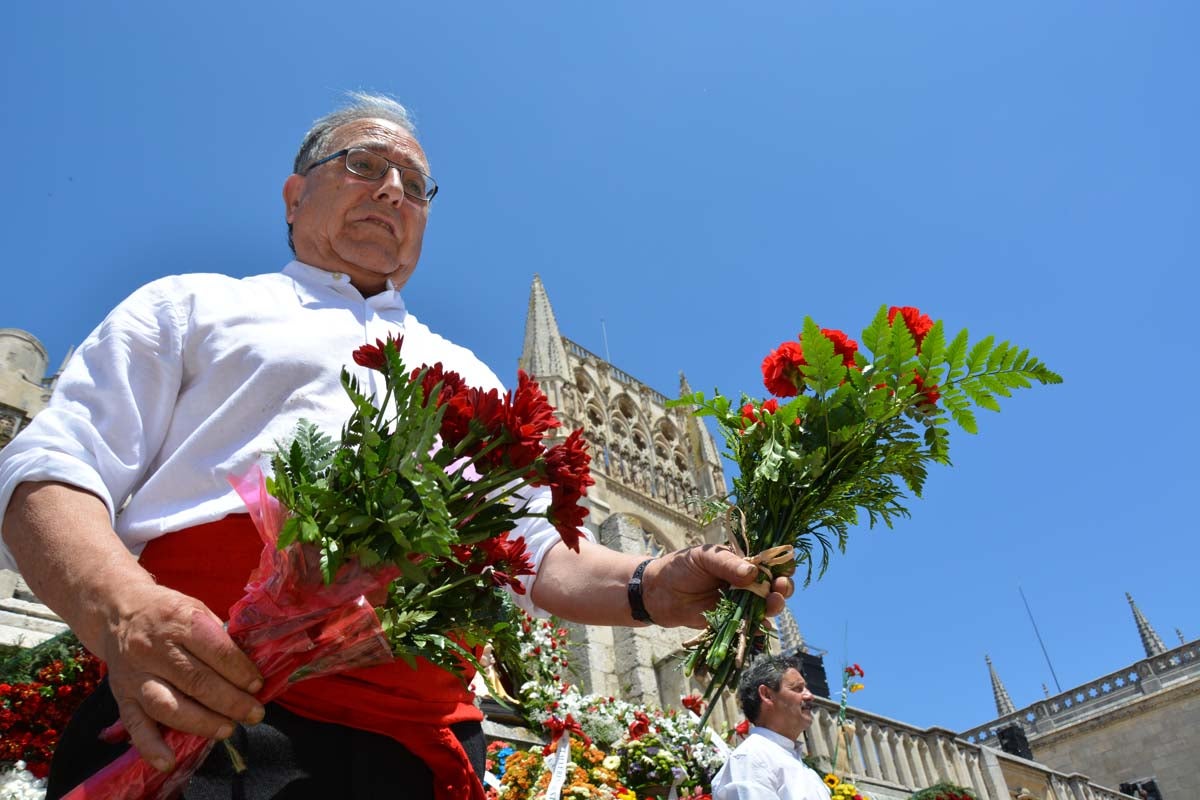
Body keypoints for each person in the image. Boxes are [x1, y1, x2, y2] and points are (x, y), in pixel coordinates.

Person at [0, 93, 792, 800]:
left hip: (417, 749)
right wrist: (124, 612)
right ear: (294, 193)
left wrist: (655, 581)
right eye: (364, 165)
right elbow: (51, 468)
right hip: (204, 704)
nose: (392, 191)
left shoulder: (471, 375)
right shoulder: (192, 306)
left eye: (415, 186)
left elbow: (539, 556)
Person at [710, 654, 831, 800]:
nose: (810, 696)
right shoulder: (752, 758)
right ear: (767, 695)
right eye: (798, 689)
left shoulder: (806, 770)